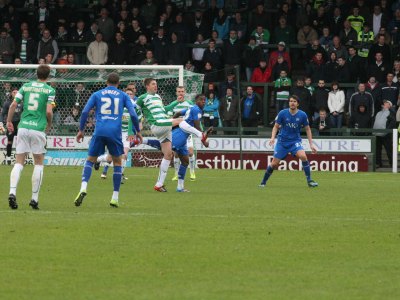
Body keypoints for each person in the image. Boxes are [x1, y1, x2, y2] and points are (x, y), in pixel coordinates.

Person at [74, 73, 142, 208]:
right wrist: (138, 132)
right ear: (119, 83)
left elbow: (85, 111)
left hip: (99, 131)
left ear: (106, 82)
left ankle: (83, 187)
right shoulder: (123, 95)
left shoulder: (97, 94)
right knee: (117, 162)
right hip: (115, 133)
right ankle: (114, 198)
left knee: (90, 160)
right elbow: (133, 114)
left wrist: (81, 130)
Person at [136, 78, 206, 192]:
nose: (156, 86)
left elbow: (164, 110)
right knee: (179, 120)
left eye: (156, 84)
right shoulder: (142, 98)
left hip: (165, 123)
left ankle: (159, 185)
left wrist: (175, 102)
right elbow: (134, 112)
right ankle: (201, 135)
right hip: (157, 124)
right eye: (153, 84)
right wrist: (134, 129)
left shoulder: (158, 97)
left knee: (168, 155)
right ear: (147, 86)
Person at [6, 65, 55, 210]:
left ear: (36, 74)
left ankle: (12, 192)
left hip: (23, 127)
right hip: (38, 128)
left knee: (19, 161)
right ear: (48, 75)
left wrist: (8, 121)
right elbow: (48, 111)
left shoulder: (26, 86)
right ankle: (34, 199)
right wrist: (49, 124)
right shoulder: (50, 90)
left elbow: (13, 104)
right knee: (38, 162)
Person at [259, 95, 318, 188]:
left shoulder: (302, 115)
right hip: (282, 142)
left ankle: (309, 180)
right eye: (290, 101)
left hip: (295, 142)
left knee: (303, 156)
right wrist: (272, 138)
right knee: (274, 164)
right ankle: (263, 182)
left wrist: (311, 144)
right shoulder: (282, 113)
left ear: (298, 104)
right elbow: (275, 126)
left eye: (294, 101)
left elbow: (307, 129)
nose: (292, 103)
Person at [171, 94, 212, 192]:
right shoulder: (196, 110)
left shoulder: (191, 108)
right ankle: (160, 184)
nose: (204, 102)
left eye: (205, 100)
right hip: (181, 134)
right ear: (196, 101)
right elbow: (197, 127)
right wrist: (204, 138)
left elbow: (177, 113)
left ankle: (180, 187)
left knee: (185, 161)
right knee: (167, 152)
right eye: (201, 100)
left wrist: (172, 121)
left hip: (184, 134)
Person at [373, 100, 397, 168]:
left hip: (386, 135)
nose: (384, 104)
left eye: (387, 103)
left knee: (388, 149)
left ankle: (392, 163)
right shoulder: (379, 112)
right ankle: (378, 163)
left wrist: (387, 131)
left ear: (390, 105)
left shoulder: (391, 112)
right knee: (377, 150)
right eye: (384, 103)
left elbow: (392, 122)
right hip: (377, 134)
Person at [2, 89, 21, 165]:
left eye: (17, 92)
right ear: (11, 93)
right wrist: (1, 122)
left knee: (20, 142)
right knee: (10, 141)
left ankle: (19, 159)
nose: (15, 93)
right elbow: (2, 113)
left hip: (19, 124)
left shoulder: (21, 103)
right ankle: (8, 158)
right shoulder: (7, 103)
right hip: (11, 124)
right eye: (14, 92)